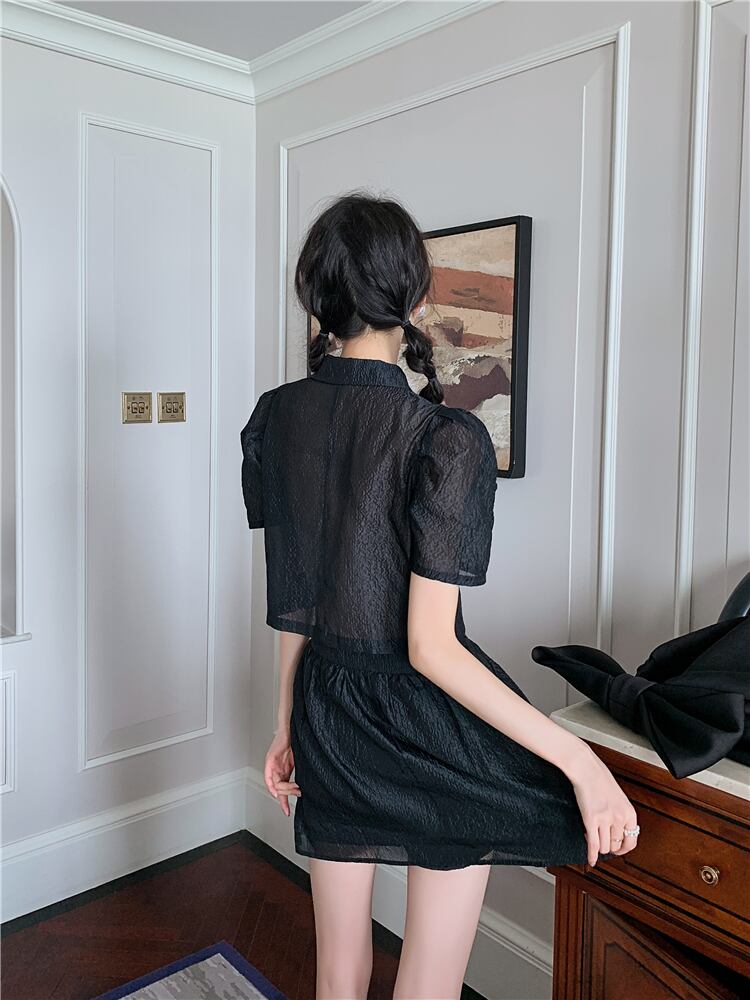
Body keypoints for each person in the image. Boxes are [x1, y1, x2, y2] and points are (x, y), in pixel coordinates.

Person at [241, 191, 639, 1000]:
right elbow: (430, 649)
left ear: (318, 298)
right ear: (416, 299)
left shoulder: (276, 419)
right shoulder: (445, 437)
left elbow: (298, 598)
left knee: (338, 974)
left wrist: (287, 723)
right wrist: (581, 760)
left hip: (328, 711)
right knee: (427, 986)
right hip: (424, 724)